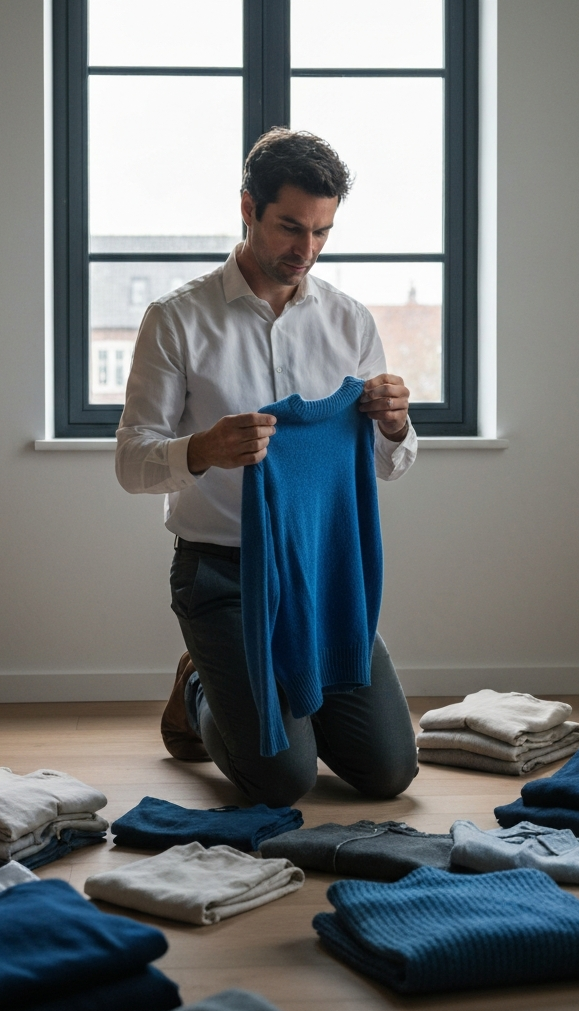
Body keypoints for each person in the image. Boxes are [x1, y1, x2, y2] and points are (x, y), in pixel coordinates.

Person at [115, 128, 419, 807]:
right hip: (221, 574)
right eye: (289, 227)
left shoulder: (350, 323)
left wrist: (396, 424)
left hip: (322, 575)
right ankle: (201, 687)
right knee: (282, 781)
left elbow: (386, 466)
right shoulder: (176, 319)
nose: (304, 251)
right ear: (248, 207)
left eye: (321, 233)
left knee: (389, 772)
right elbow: (131, 463)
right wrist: (202, 450)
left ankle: (279, 696)